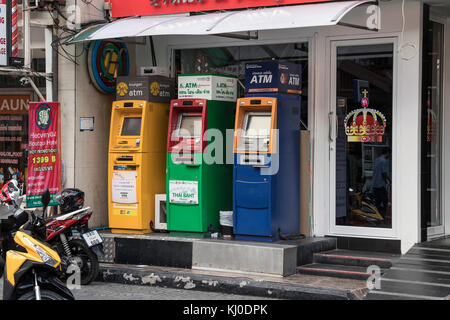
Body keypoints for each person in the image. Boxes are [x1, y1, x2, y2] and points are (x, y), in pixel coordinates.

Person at [372, 147, 391, 218]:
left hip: (375, 183)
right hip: (380, 184)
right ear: (388, 153)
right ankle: (383, 215)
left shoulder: (377, 159)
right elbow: (384, 173)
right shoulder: (384, 161)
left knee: (377, 201)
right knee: (385, 200)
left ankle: (377, 215)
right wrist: (389, 181)